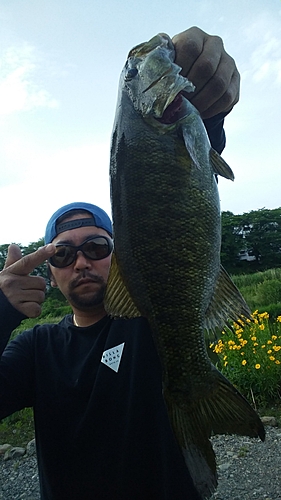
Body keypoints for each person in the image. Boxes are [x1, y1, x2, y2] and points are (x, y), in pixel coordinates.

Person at [0, 27, 240, 500]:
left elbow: (177, 176)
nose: (82, 261)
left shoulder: (152, 326)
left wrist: (207, 118)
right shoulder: (37, 350)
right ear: (49, 270)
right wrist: (0, 313)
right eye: (63, 253)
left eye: (98, 247)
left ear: (124, 254)